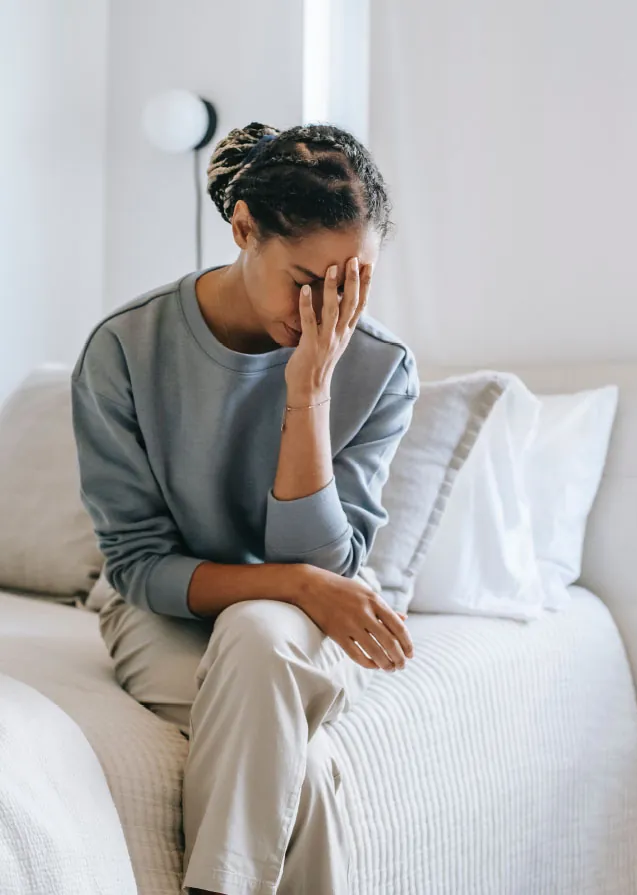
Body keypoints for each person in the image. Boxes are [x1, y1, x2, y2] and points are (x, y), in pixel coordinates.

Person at [71, 122, 419, 895]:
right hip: (169, 615)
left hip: (321, 619)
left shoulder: (380, 368)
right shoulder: (125, 349)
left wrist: (309, 391)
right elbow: (138, 566)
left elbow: (328, 565)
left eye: (349, 283)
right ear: (243, 228)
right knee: (308, 763)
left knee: (260, 637)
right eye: (305, 279)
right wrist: (289, 584)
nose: (325, 311)